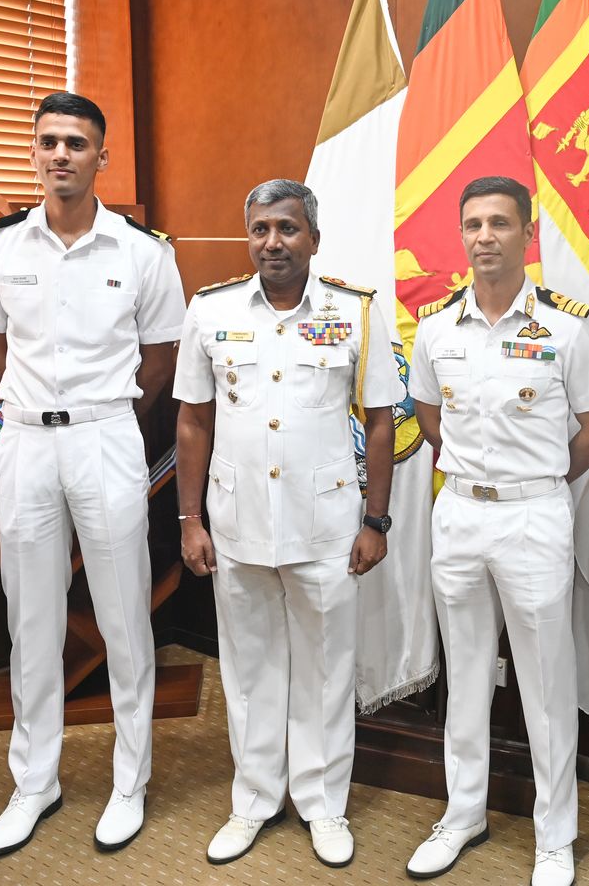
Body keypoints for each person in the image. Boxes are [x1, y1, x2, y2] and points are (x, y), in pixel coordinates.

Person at [0, 91, 185, 857]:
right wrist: (40, 410)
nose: (61, 155)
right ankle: (35, 782)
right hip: (22, 443)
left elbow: (159, 361)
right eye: (49, 141)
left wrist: (97, 412)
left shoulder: (144, 252)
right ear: (34, 150)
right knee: (31, 621)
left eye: (76, 143)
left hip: (105, 439)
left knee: (124, 616)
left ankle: (129, 781)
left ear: (101, 158)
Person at [172, 179, 403, 869]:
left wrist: (376, 521)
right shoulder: (210, 310)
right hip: (238, 523)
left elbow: (383, 421)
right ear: (249, 237)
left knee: (329, 667)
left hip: (327, 525)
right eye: (261, 230)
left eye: (287, 229)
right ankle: (254, 800)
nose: (273, 242)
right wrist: (189, 520)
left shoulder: (354, 311)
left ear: (313, 238)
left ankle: (323, 803)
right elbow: (192, 419)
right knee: (247, 669)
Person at [405, 176, 589, 886]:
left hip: (533, 514)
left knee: (545, 679)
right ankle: (463, 813)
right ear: (460, 235)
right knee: (463, 671)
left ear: (527, 234)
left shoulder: (567, 325)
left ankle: (554, 836)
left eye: (500, 222)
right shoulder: (436, 328)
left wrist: (549, 475)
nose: (485, 236)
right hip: (461, 512)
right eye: (473, 224)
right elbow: (430, 418)